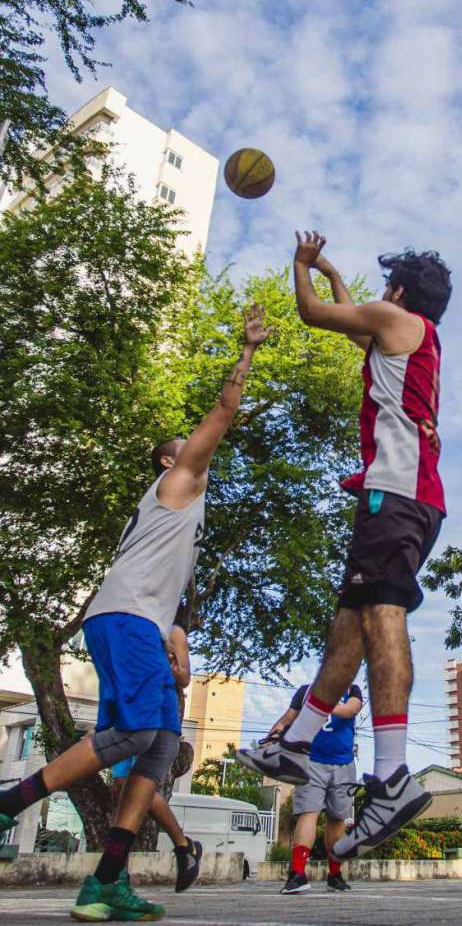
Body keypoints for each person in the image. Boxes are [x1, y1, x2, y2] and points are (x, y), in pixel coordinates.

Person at [0, 307, 271, 923]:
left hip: (136, 623)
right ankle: (8, 801)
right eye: (182, 442)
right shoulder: (179, 479)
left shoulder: (179, 514)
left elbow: (174, 601)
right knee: (131, 735)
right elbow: (224, 413)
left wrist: (177, 638)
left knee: (156, 750)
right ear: (168, 460)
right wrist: (246, 348)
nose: (193, 442)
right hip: (123, 620)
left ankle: (105, 885)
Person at [238, 234, 451, 860]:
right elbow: (355, 326)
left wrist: (300, 267)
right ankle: (296, 742)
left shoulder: (394, 318)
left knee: (383, 615)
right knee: (349, 625)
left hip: (396, 492)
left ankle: (391, 776)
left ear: (401, 292)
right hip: (413, 496)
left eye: (387, 288)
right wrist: (333, 272)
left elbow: (313, 316)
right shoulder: (411, 337)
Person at [110, 625, 201, 894]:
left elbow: (183, 677)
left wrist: (162, 663)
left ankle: (183, 845)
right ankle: (118, 873)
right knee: (119, 790)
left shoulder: (174, 633)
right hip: (127, 712)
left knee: (138, 790)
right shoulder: (129, 628)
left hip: (155, 717)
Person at [268, 683, 362, 894]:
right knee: (308, 813)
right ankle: (298, 874)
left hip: (344, 764)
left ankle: (335, 875)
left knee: (337, 819)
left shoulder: (353, 690)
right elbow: (285, 721)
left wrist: (319, 705)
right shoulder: (305, 691)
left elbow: (351, 710)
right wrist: (270, 741)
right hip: (311, 762)